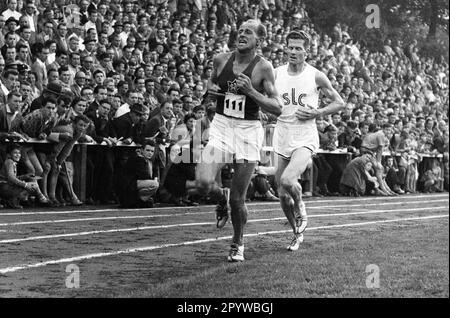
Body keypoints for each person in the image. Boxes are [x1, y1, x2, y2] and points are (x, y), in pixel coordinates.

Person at [194, 19, 283, 262]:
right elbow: (212, 81)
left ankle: (237, 241)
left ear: (259, 41)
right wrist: (211, 92)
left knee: (238, 198)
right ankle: (218, 199)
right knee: (202, 182)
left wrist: (252, 92)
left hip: (247, 131)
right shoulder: (220, 59)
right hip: (222, 126)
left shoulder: (263, 68)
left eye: (249, 32)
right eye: (240, 31)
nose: (242, 35)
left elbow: (278, 108)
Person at [273, 29, 344, 251]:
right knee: (283, 196)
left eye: (298, 48)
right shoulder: (275, 73)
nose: (293, 52)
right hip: (282, 134)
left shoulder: (315, 75)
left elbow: (339, 102)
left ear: (307, 51)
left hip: (305, 135)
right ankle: (296, 232)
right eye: (290, 47)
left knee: (287, 180)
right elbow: (266, 99)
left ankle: (301, 206)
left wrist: (317, 113)